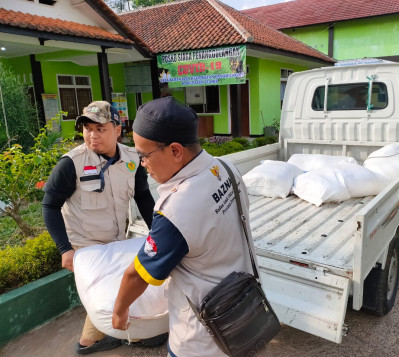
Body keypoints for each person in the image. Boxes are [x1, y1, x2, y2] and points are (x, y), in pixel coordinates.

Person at [110, 96, 260, 356]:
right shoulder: (225, 167)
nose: (142, 165)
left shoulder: (177, 209)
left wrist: (119, 312)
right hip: (244, 304)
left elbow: (137, 276)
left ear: (176, 151)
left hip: (204, 338)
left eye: (144, 156)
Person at [42, 101, 164, 355]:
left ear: (117, 130)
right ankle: (91, 342)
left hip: (116, 240)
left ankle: (129, 333)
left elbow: (142, 197)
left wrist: (158, 232)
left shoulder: (132, 159)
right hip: (84, 245)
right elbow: (49, 205)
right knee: (103, 293)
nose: (91, 135)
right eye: (87, 129)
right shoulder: (71, 164)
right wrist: (65, 249)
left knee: (118, 288)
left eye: (100, 128)